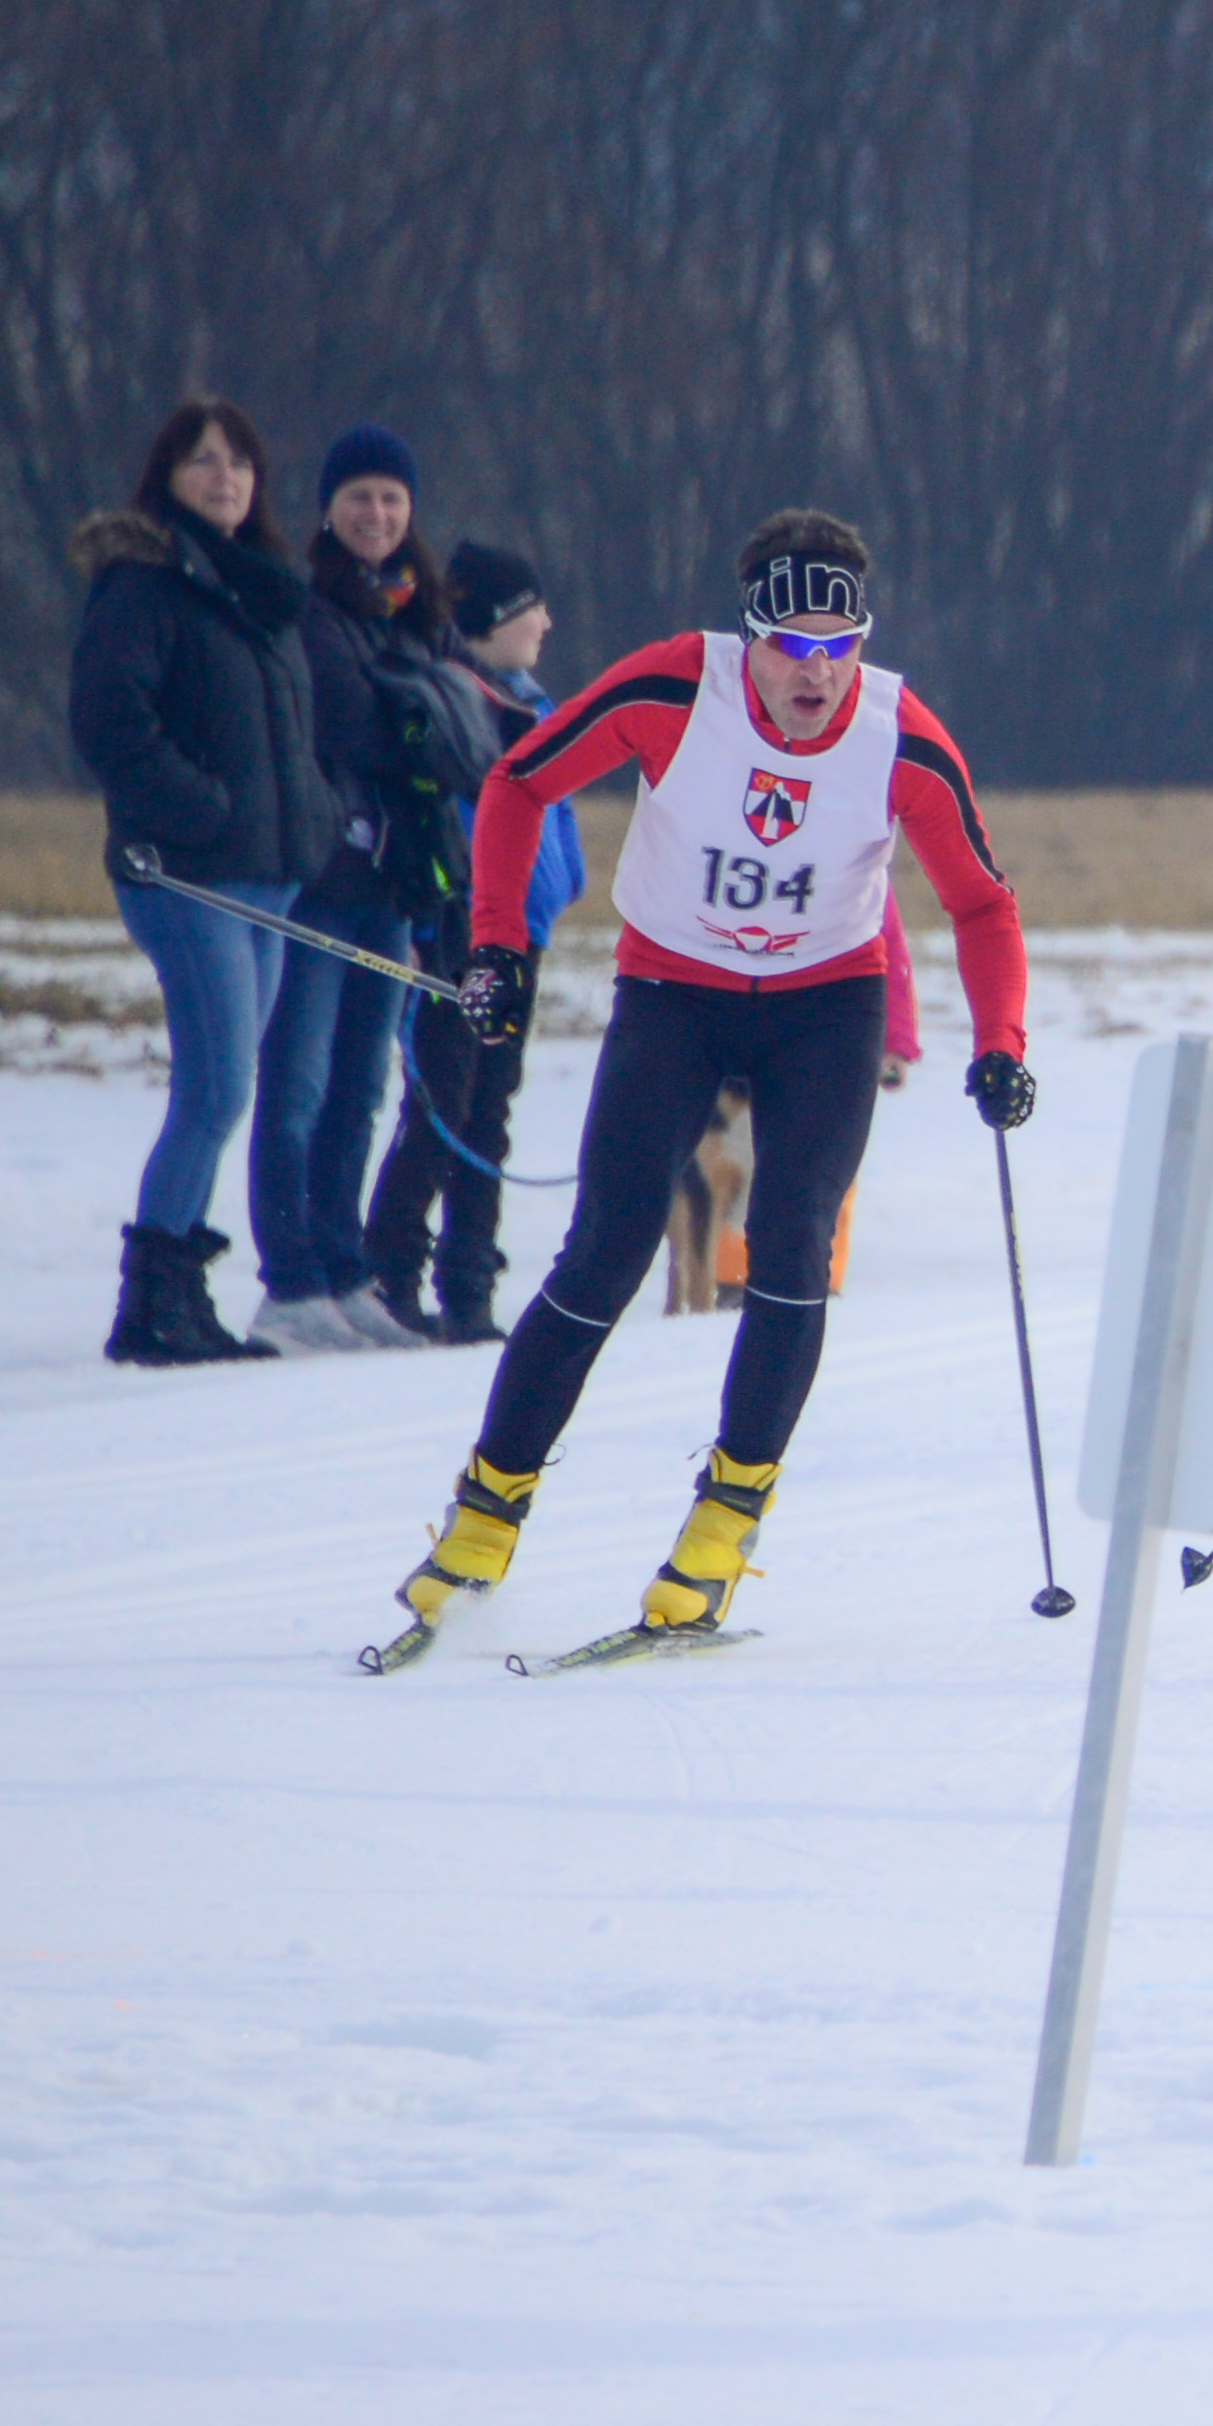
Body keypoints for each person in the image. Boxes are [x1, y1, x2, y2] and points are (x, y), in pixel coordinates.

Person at [365, 509, 1032, 1666]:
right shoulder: (676, 686)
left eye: (842, 647)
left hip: (825, 1006)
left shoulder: (901, 736)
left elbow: (982, 901)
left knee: (791, 1244)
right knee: (606, 1248)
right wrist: (497, 948)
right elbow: (520, 783)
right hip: (674, 991)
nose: (818, 673)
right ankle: (483, 1520)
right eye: (793, 646)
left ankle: (721, 1530)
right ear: (749, 639)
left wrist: (1000, 1042)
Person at [66, 397, 334, 1365]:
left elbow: (291, 732)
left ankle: (176, 1294)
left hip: (268, 881)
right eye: (204, 461)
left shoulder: (259, 590)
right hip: (189, 879)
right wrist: (201, 810)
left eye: (240, 462)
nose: (226, 478)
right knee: (215, 1090)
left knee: (229, 1088)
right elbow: (109, 722)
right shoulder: (145, 584)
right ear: (167, 477)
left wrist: (314, 809)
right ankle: (153, 1304)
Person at [250, 425, 467, 1347]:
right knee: (296, 1083)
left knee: (359, 1088)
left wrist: (426, 720)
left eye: (391, 499)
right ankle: (290, 1279)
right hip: (322, 879)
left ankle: (344, 1270)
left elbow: (449, 733)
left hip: (394, 885)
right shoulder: (311, 607)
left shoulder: (417, 612)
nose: (376, 515)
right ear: (328, 509)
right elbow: (350, 721)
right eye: (359, 498)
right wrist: (423, 719)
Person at [360, 545, 582, 1346]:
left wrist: (565, 882)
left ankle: (469, 1284)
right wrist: (432, 926)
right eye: (532, 608)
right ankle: (390, 1271)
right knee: (442, 1108)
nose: (546, 622)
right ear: (491, 619)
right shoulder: (449, 698)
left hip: (524, 940)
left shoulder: (536, 706)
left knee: (490, 1108)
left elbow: (557, 813)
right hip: (460, 935)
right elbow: (437, 817)